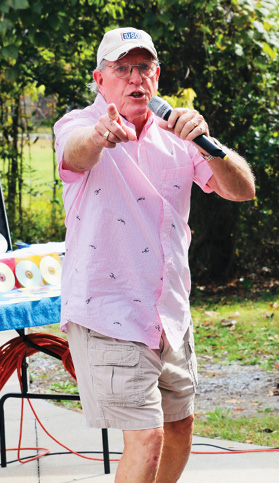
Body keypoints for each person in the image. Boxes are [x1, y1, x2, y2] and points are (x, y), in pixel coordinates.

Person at [54, 27, 255, 483]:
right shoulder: (79, 125)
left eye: (143, 67)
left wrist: (209, 143)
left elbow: (243, 190)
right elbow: (76, 153)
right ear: (99, 79)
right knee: (146, 440)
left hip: (169, 313)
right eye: (121, 68)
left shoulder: (178, 133)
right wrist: (102, 135)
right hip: (110, 311)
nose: (134, 78)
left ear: (157, 76)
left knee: (179, 428)